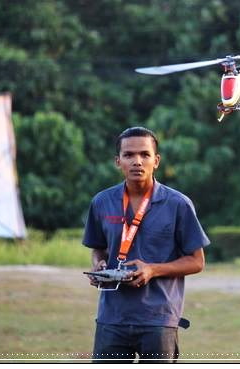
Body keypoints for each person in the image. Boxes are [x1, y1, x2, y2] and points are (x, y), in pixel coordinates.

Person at [83, 126, 210, 363]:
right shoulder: (101, 201)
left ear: (156, 161)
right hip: (112, 317)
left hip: (159, 318)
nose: (137, 161)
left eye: (145, 154)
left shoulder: (178, 204)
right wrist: (98, 265)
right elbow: (98, 247)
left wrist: (153, 270)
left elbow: (197, 261)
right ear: (118, 161)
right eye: (129, 155)